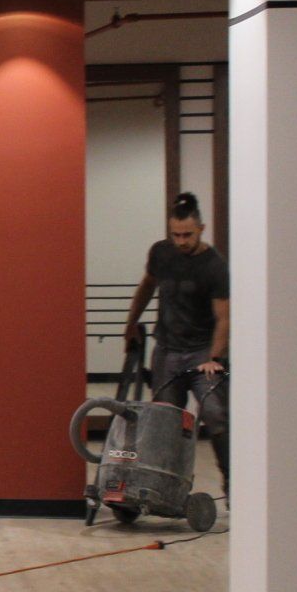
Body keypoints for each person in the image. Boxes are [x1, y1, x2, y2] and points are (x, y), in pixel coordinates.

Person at [123, 191, 229, 487]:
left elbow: (224, 318)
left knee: (216, 417)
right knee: (164, 421)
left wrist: (215, 359)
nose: (181, 241)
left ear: (201, 230)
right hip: (167, 352)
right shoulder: (161, 253)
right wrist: (131, 324)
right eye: (176, 235)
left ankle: (232, 485)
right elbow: (146, 286)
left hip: (201, 353)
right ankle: (162, 487)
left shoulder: (214, 267)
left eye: (187, 235)